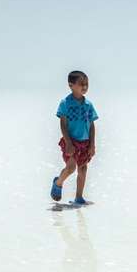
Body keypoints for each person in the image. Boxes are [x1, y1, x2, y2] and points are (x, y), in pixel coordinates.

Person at [50, 70, 99, 204]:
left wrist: (92, 144)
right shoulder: (65, 103)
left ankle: (78, 197)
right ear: (71, 85)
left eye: (86, 84)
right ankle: (58, 183)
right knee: (71, 167)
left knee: (83, 169)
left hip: (85, 142)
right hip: (70, 141)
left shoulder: (89, 105)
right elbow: (63, 124)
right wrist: (68, 143)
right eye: (81, 84)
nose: (84, 87)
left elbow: (92, 125)